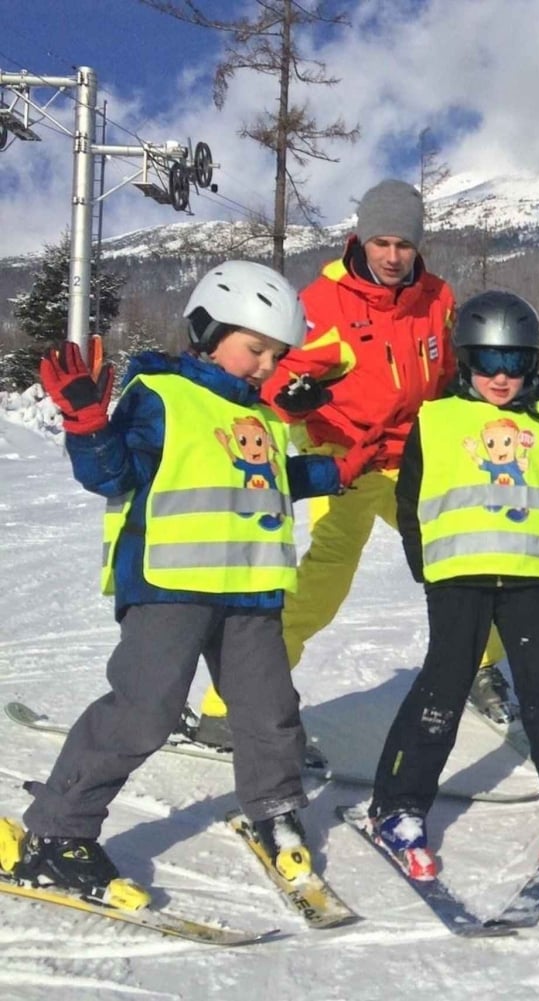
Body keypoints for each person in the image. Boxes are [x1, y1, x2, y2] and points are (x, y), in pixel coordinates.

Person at [0, 261, 375, 905]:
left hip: (250, 591)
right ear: (208, 329)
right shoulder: (161, 394)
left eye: (275, 355)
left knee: (269, 713)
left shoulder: (256, 413)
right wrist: (88, 426)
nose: (265, 366)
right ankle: (58, 833)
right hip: (168, 584)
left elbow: (267, 481)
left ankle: (275, 809)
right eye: (256, 349)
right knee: (143, 713)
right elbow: (112, 475)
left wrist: (331, 474)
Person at [184, 179, 510, 749]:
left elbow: (451, 373)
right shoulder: (323, 302)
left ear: (417, 245)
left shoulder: (437, 298)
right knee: (323, 583)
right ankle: (231, 705)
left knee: (468, 556)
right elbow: (272, 374)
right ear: (361, 237)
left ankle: (480, 666)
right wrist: (292, 398)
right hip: (344, 457)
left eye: (402, 245)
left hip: (415, 456)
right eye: (381, 242)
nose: (391, 256)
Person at [366, 290, 539, 879]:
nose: (501, 378)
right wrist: (423, 565)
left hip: (531, 576)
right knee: (443, 686)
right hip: (458, 578)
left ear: (533, 364)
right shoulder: (438, 419)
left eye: (516, 363)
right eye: (487, 363)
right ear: (464, 362)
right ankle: (398, 804)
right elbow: (411, 501)